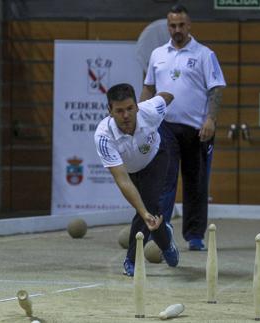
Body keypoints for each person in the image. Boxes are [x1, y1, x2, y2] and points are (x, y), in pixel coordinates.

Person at [140, 4, 226, 251]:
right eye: (172, 25)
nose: (176, 30)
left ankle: (195, 235)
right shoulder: (157, 54)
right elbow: (148, 87)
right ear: (168, 26)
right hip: (164, 127)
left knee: (195, 183)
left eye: (181, 25)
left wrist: (211, 119)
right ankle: (159, 232)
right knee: (164, 182)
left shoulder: (204, 54)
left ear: (189, 26)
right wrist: (141, 116)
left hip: (197, 130)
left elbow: (216, 89)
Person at [94, 83, 177, 276]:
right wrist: (144, 213)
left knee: (147, 205)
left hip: (157, 158)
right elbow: (123, 181)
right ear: (110, 111)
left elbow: (167, 96)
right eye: (119, 110)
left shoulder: (150, 110)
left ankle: (131, 260)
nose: (126, 115)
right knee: (149, 210)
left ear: (137, 106)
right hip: (130, 171)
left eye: (130, 108)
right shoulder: (103, 137)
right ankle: (167, 245)